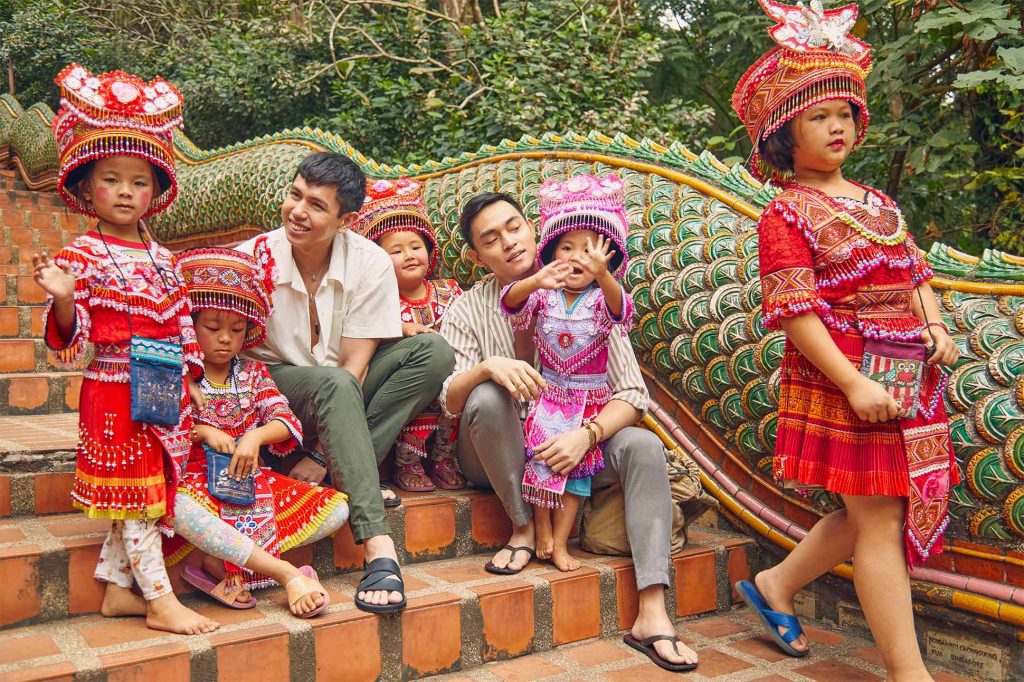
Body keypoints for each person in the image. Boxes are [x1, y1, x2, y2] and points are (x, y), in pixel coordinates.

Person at [730, 2, 959, 679]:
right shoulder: (785, 212)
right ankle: (909, 672)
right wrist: (854, 381)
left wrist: (938, 326)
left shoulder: (877, 204)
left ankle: (775, 586)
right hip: (843, 374)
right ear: (783, 133)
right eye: (817, 116)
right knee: (879, 520)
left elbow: (915, 273)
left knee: (874, 508)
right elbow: (795, 311)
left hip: (908, 373)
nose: (837, 127)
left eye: (845, 114)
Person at [439, 191, 699, 671]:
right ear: (477, 256)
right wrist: (488, 367)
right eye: (491, 239)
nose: (509, 243)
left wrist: (589, 434)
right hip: (499, 454)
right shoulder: (468, 309)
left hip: (575, 445)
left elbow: (633, 396)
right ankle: (521, 529)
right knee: (487, 393)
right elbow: (452, 401)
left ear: (535, 230)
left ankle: (653, 611)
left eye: (514, 227)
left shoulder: (594, 298)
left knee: (641, 445)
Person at [32, 64, 218, 635]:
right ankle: (160, 599)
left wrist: (191, 386)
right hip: (113, 391)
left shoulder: (165, 258)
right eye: (112, 179)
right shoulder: (82, 255)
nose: (125, 192)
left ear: (155, 192)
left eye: (139, 182)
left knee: (148, 489)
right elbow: (73, 338)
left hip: (164, 394)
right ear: (88, 186)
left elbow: (184, 326)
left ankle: (117, 591)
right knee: (136, 494)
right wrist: (64, 300)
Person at [235, 152, 455, 613]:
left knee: (433, 352)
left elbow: (356, 365)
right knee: (333, 383)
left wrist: (318, 455)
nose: (298, 211)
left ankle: (332, 470)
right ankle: (378, 546)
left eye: (316, 205)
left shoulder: (370, 262)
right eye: (295, 195)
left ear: (347, 219)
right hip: (276, 389)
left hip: (341, 387)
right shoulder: (252, 259)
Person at [161, 246, 346, 617]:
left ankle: (215, 563)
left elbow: (285, 419)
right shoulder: (177, 372)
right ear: (190, 324)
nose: (226, 338)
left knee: (336, 511)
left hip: (251, 481)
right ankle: (282, 574)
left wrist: (255, 437)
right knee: (173, 507)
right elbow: (159, 427)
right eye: (212, 328)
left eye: (237, 328)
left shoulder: (252, 373)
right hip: (192, 483)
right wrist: (201, 432)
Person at [499, 173, 635, 573]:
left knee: (574, 478)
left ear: (608, 259)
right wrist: (534, 280)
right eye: (567, 248)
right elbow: (510, 303)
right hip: (548, 395)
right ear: (551, 253)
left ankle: (560, 543)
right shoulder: (542, 295)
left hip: (588, 402)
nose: (578, 258)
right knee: (539, 466)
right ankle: (541, 529)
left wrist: (605, 276)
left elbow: (621, 311)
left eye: (591, 252)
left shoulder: (601, 299)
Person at [354, 178, 466, 492]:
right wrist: (401, 330)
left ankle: (444, 457)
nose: (409, 255)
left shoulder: (449, 291)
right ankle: (408, 459)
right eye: (396, 251)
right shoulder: (378, 301)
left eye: (416, 246)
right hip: (408, 382)